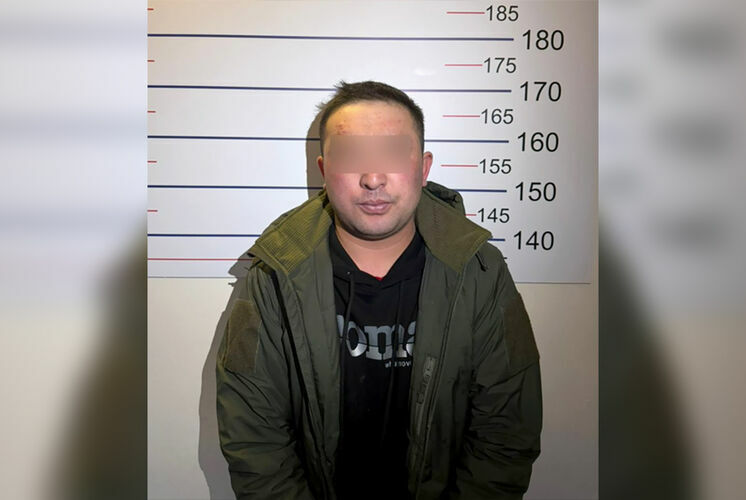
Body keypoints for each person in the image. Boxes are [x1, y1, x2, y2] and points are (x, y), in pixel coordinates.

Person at [216, 80, 542, 499]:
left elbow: (506, 432)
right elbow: (254, 440)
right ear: (323, 170)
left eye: (392, 153)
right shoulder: (275, 274)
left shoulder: (478, 271)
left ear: (424, 168)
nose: (372, 178)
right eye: (352, 156)